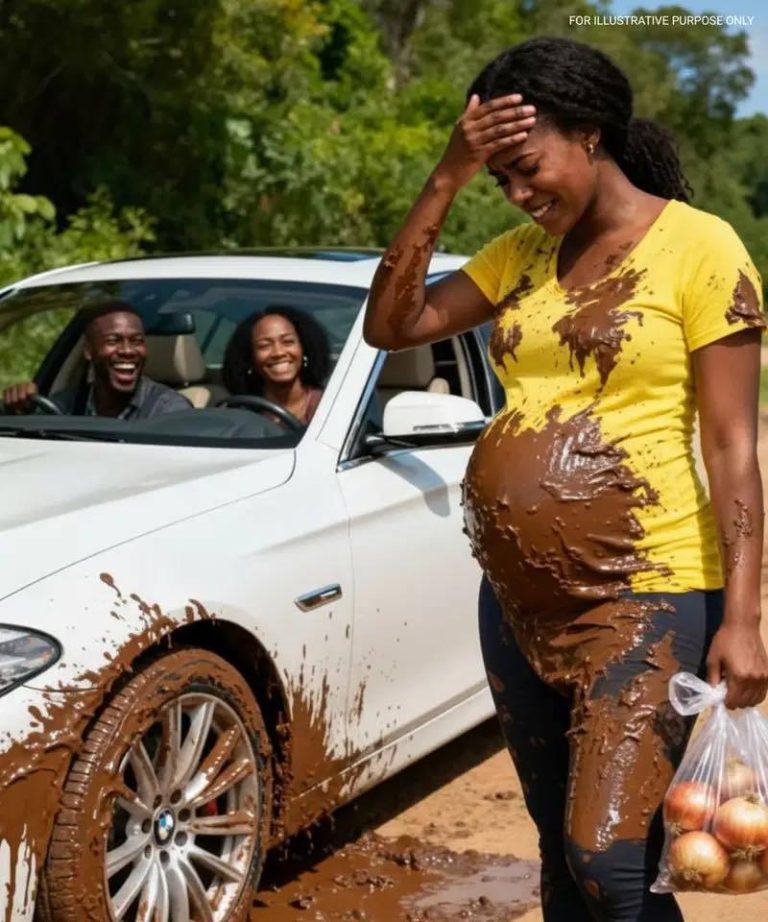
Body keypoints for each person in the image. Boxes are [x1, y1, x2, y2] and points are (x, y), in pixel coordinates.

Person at [363, 36, 768, 922]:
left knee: (609, 862)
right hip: (516, 603)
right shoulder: (518, 256)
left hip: (649, 590)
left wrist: (744, 619)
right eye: (498, 176)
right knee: (559, 849)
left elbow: (734, 445)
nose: (517, 194)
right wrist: (445, 176)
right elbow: (390, 327)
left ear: (590, 135)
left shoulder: (701, 247)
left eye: (528, 167)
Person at [2, 299, 191, 418]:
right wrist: (17, 409)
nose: (128, 350)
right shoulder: (66, 405)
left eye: (136, 341)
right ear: (88, 351)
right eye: (113, 340)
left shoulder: (168, 411)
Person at [222, 306, 329, 425]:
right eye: (264, 346)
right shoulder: (238, 413)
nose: (278, 353)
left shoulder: (330, 406)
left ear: (304, 349)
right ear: (249, 359)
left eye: (288, 342)